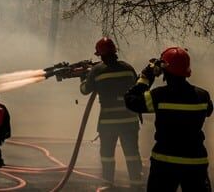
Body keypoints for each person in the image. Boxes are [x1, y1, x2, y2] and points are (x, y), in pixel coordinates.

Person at [125, 46, 213, 192]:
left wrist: (146, 77)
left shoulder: (158, 96)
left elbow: (131, 101)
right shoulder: (203, 96)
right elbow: (209, 111)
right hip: (196, 163)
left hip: (164, 163)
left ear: (164, 71)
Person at [81, 36, 142, 186]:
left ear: (100, 55)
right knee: (132, 153)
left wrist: (84, 77)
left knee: (107, 154)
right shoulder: (128, 68)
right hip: (130, 120)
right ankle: (136, 182)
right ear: (115, 52)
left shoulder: (97, 71)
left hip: (108, 122)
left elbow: (84, 90)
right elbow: (137, 88)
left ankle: (108, 183)